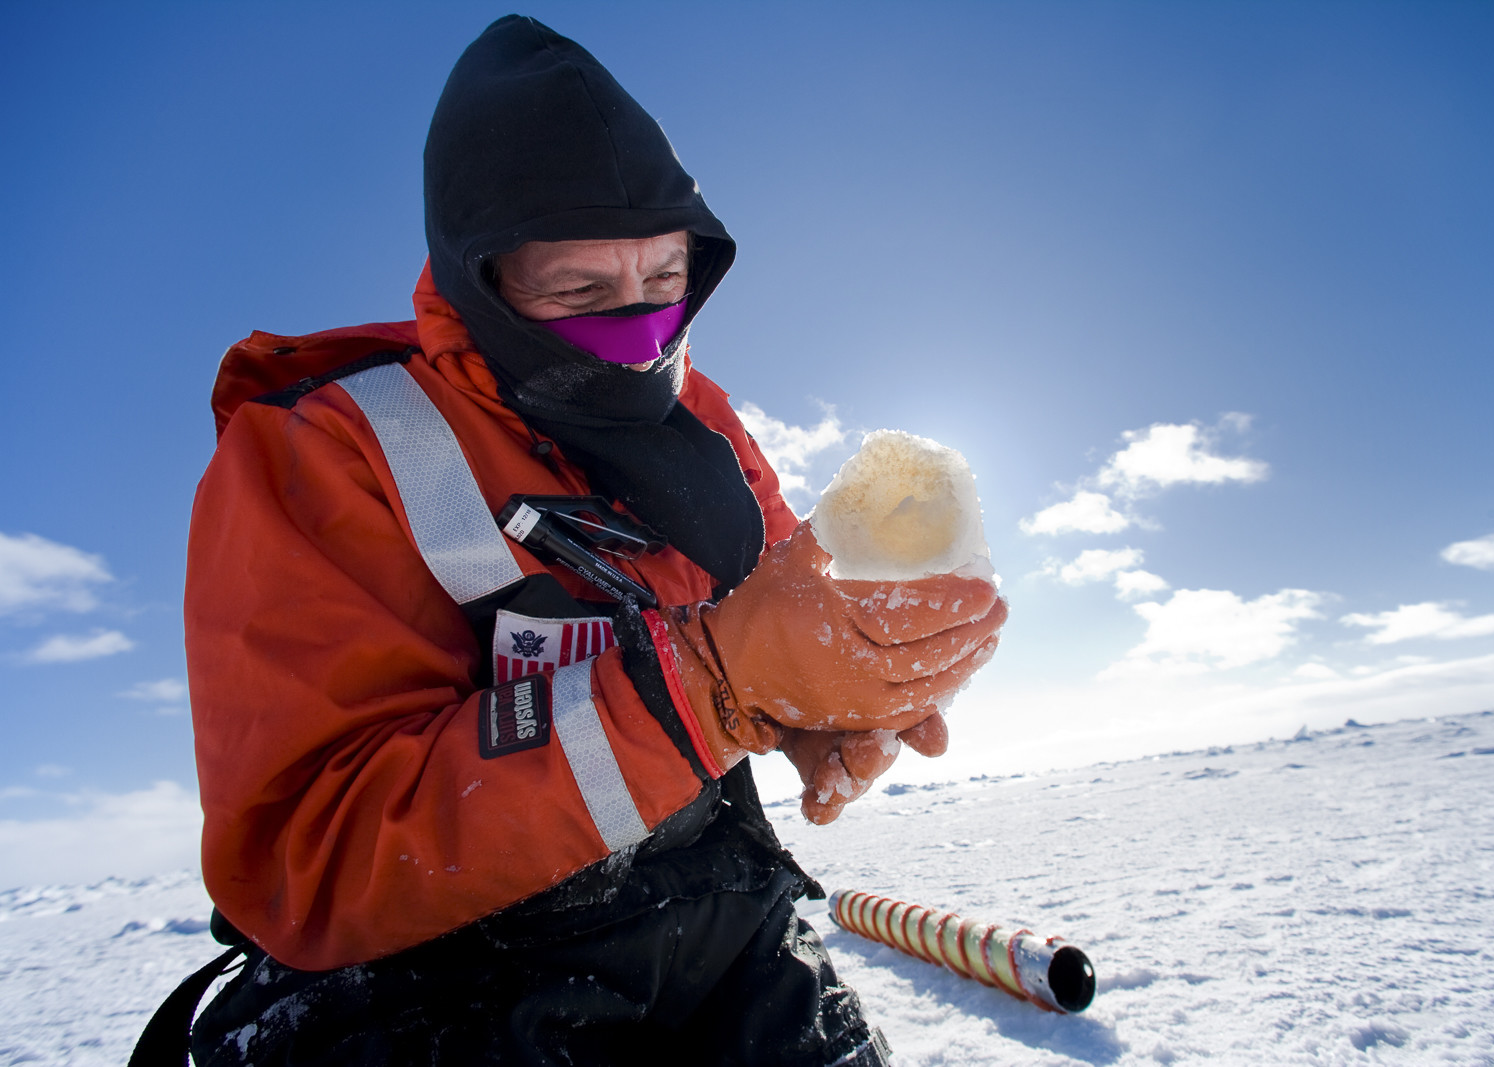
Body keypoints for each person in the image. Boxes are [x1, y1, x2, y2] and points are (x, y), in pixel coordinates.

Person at [170, 15, 1005, 1066]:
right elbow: (316, 853)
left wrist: (815, 705)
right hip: (437, 974)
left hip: (717, 919)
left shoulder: (702, 423)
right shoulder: (330, 447)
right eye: (581, 293)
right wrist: (707, 689)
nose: (643, 334)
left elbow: (777, 616)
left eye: (665, 284)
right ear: (481, 280)